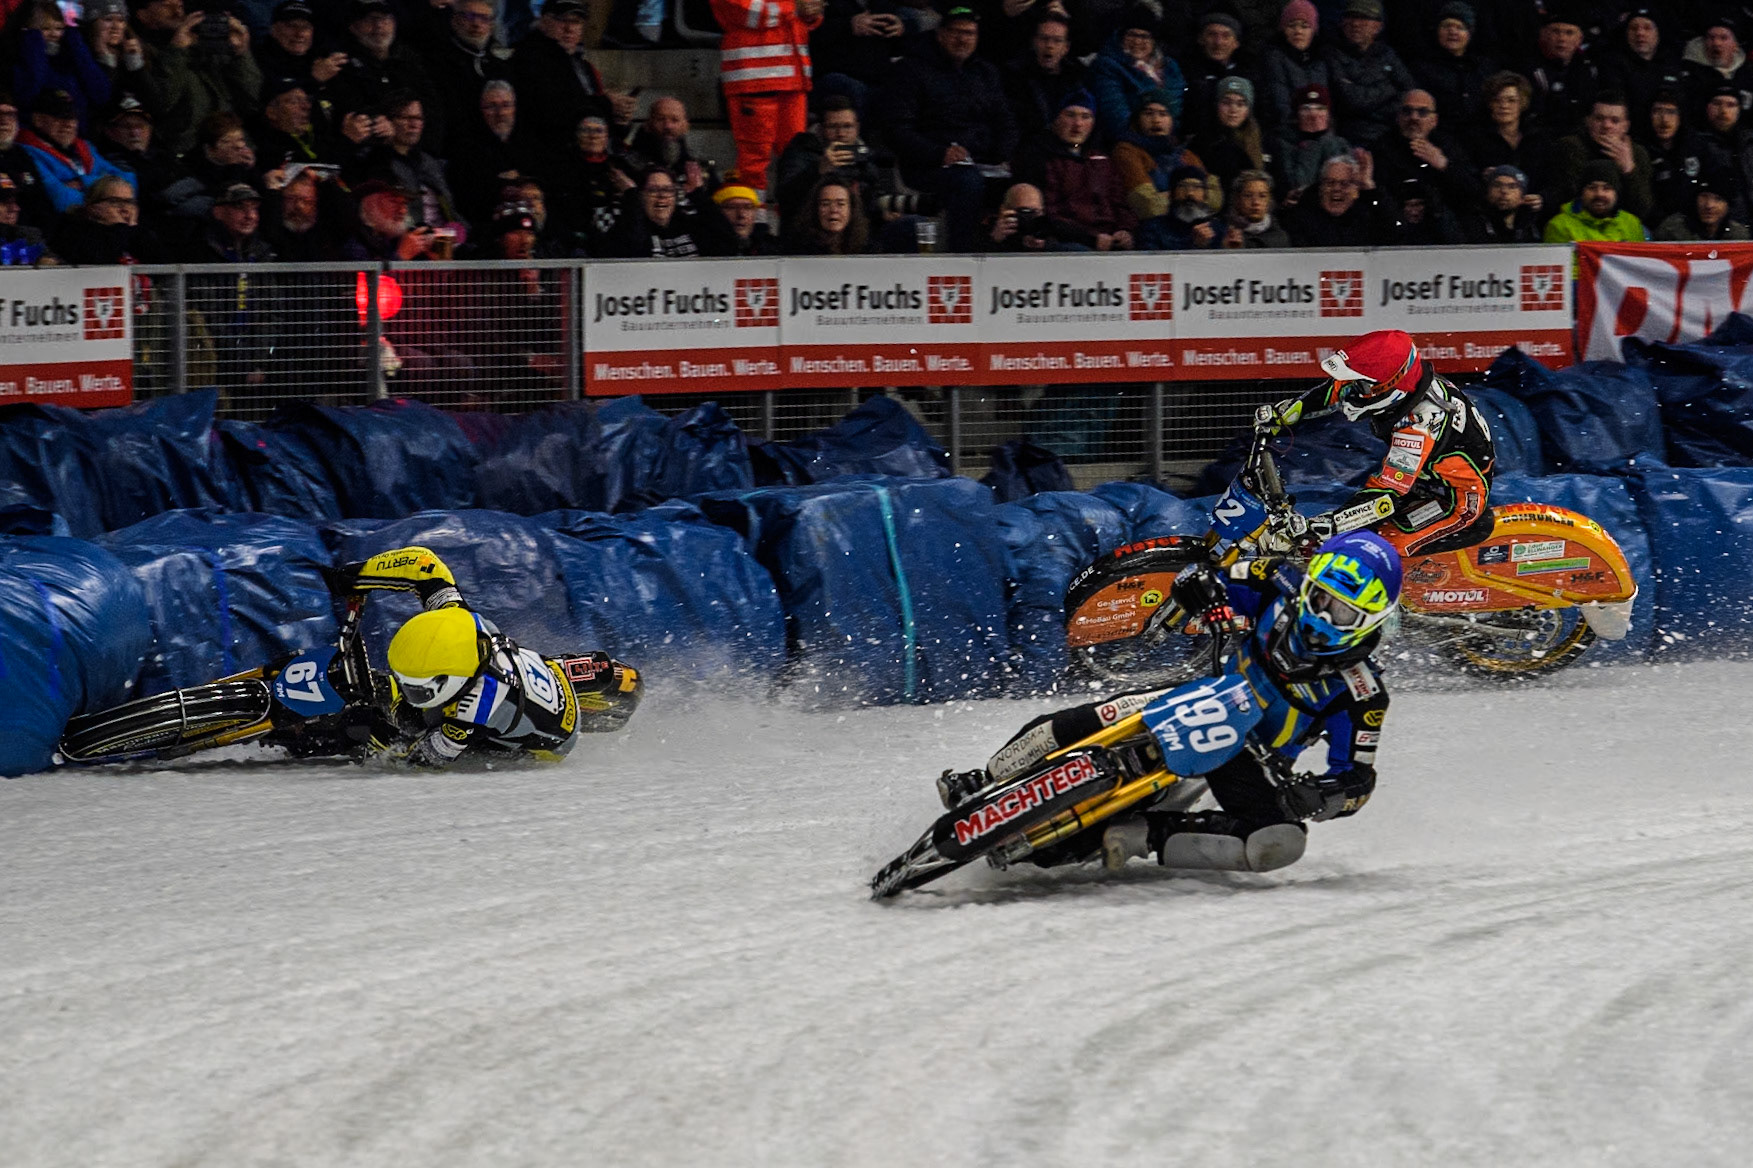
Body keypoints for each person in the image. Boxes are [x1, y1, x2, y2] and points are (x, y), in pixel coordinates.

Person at [937, 530, 1403, 875]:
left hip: (1253, 757)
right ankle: (986, 776)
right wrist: (1197, 588)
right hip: (1204, 697)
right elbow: (1202, 576)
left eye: (1342, 612)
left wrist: (1321, 797)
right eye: (1320, 597)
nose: (1322, 616)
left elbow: (1358, 781)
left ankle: (1146, 834)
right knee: (1097, 715)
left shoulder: (1364, 694)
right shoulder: (1272, 579)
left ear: (1370, 620)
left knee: (1278, 841)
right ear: (1308, 583)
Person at [334, 545, 640, 768]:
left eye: (416, 687)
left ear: (454, 683)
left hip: (551, 743)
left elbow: (421, 759)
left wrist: (374, 734)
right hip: (538, 671)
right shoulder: (459, 620)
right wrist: (361, 575)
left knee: (415, 720)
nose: (406, 686)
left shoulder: (471, 710)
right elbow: (425, 566)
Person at [1255, 328, 1497, 556]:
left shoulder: (1419, 425)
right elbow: (1338, 388)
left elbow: (1384, 497)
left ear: (1390, 386)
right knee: (1355, 530)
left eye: (1359, 385)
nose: (1351, 391)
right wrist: (1286, 413)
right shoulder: (1399, 383)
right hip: (1424, 480)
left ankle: (1393, 599)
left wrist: (1325, 525)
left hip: (1455, 498)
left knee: (1382, 547)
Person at [875, 5, 1017, 252]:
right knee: (967, 183)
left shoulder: (986, 73)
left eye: (970, 33)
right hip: (927, 165)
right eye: (956, 32)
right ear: (940, 34)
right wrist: (939, 153)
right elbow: (897, 130)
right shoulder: (911, 70)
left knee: (1024, 185)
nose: (963, 39)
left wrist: (1001, 153)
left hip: (981, 160)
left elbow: (1006, 121)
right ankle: (962, 257)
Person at [709, 0, 822, 192]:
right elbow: (743, 10)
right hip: (755, 77)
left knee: (797, 157)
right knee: (753, 161)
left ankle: (792, 217)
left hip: (793, 79)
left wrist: (811, 13)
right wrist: (794, 8)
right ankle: (753, 220)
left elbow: (804, 17)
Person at [1011, 88, 1134, 250]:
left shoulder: (1102, 159)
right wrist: (1090, 239)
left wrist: (1125, 230)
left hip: (1107, 239)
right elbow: (1045, 216)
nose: (1078, 124)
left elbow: (1119, 202)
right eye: (1070, 115)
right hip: (1067, 242)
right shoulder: (1036, 156)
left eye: (1085, 116)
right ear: (1056, 118)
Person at [1372, 86, 1478, 224]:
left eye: (1422, 112)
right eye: (1407, 111)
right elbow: (1376, 199)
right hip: (1397, 224)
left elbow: (1474, 193)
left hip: (1445, 226)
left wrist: (1445, 166)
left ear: (1434, 120)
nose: (1413, 117)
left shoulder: (1448, 145)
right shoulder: (1382, 147)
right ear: (1398, 117)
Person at [17, 87, 130, 214]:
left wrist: (83, 182)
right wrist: (106, 187)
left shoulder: (85, 148)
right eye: (60, 117)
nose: (69, 124)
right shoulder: (26, 152)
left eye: (73, 117)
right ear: (38, 120)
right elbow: (61, 200)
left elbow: (129, 181)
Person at [1550, 92, 1655, 223]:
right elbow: (1568, 197)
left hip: (1623, 225)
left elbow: (1643, 210)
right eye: (1599, 119)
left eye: (1615, 121)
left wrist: (1629, 170)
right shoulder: (1570, 147)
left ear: (1625, 127)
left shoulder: (1637, 153)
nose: (1606, 126)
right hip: (1580, 223)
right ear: (1588, 121)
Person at [1090, 5, 1186, 143]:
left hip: (1168, 142)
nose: (1137, 41)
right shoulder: (1107, 66)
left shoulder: (1170, 67)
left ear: (1153, 41)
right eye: (1132, 34)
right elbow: (1115, 116)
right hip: (1129, 143)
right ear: (1121, 35)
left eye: (1144, 36)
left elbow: (1176, 107)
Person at [1326, 0, 1415, 149]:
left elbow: (1409, 94)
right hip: (1349, 138)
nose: (1355, 24)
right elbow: (1352, 100)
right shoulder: (1331, 54)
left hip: (1390, 133)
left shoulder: (1387, 54)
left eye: (1363, 18)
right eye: (1350, 17)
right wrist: (1389, 90)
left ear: (1378, 26)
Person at [599, 165, 734, 257]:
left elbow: (729, 242)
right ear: (640, 196)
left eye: (668, 190)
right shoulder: (627, 225)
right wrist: (631, 196)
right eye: (653, 190)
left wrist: (697, 195)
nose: (662, 195)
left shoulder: (689, 224)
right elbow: (629, 251)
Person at [1002, 11, 1090, 144]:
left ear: (1066, 48)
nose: (1050, 46)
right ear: (1034, 42)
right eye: (1044, 39)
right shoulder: (1014, 75)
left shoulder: (1077, 76)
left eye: (1057, 41)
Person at [1282, 151, 1396, 246]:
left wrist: (1369, 188)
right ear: (1321, 186)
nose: (1336, 188)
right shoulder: (1302, 216)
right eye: (1330, 183)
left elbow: (1396, 229)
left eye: (1344, 184)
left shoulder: (1367, 211)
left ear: (1355, 189)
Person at [1409, 2, 1492, 126]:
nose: (1453, 32)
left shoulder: (1484, 68)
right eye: (1446, 26)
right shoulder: (1422, 69)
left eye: (1460, 27)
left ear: (1470, 34)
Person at [1187, 75, 1265, 198]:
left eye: (1241, 104)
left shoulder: (1262, 141)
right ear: (1216, 105)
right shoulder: (1203, 143)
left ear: (1248, 110)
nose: (1233, 110)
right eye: (1226, 102)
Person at [1269, 82, 1349, 199]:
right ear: (1297, 114)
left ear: (1328, 114)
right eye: (1306, 109)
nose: (1313, 115)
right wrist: (1312, 145)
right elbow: (1297, 186)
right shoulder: (1282, 144)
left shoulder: (1340, 145)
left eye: (1320, 108)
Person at [1258, 0, 1329, 130]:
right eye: (1292, 25)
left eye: (1304, 26)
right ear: (1283, 30)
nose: (1298, 31)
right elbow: (1279, 106)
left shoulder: (1321, 60)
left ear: (1313, 31)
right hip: (1286, 132)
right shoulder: (1274, 59)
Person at [1542, 158, 1649, 243]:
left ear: (1617, 193)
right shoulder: (1559, 226)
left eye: (1607, 188)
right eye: (1592, 188)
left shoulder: (1631, 223)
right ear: (1582, 192)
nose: (1599, 194)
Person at [1527, 7, 1596, 136]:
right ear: (1543, 35)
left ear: (1579, 40)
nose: (1562, 38)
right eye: (1555, 31)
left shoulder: (1587, 68)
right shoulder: (1530, 68)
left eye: (1569, 33)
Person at [781, 174, 868, 253]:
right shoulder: (798, 249)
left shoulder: (866, 249)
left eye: (840, 204)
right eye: (825, 204)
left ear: (851, 209)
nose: (834, 210)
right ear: (815, 209)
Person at [1656, 171, 1751, 240]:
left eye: (1718, 199)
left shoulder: (1739, 236)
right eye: (1704, 196)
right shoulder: (1672, 231)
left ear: (1728, 205)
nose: (1709, 205)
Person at [1461, 164, 1541, 243]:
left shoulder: (1530, 227)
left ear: (1522, 197)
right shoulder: (1472, 224)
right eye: (1497, 185)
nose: (1504, 191)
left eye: (1512, 186)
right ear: (1487, 192)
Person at [1221, 167, 1289, 247]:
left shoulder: (1280, 237)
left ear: (1269, 201)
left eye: (1262, 196)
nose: (1256, 202)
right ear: (1237, 199)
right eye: (1248, 196)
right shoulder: (1222, 232)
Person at [715, 182, 779, 254]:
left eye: (748, 207)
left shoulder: (773, 249)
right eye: (732, 207)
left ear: (755, 213)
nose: (741, 215)